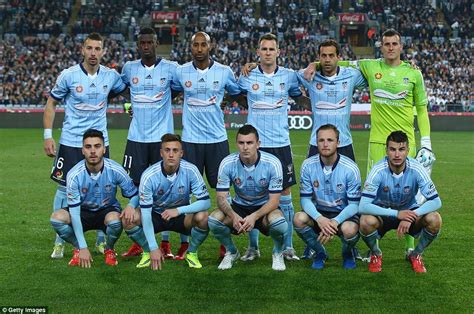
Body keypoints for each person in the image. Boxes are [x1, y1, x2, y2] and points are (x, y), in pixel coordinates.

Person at [304, 29, 436, 255]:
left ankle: (410, 246)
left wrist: (426, 142)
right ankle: (374, 247)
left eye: (395, 43)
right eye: (387, 44)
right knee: (374, 195)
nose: (391, 47)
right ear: (381, 46)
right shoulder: (370, 66)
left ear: (401, 47)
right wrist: (315, 64)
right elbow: (339, 62)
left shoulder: (413, 73)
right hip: (377, 142)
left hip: (407, 143)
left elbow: (422, 110)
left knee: (409, 194)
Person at [43, 33, 127, 259]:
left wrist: (129, 105)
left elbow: (126, 91)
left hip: (100, 144)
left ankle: (102, 240)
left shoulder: (110, 76)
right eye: (89, 48)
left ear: (103, 51)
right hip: (71, 142)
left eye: (97, 49)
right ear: (82, 49)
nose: (93, 53)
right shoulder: (69, 75)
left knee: (103, 190)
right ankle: (60, 242)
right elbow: (51, 102)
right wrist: (48, 135)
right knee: (63, 189)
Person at [238, 33, 310, 262]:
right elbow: (234, 95)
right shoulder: (247, 76)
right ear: (257, 52)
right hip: (255, 146)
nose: (268, 52)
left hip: (280, 144)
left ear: (278, 52)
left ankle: (288, 246)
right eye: (264, 49)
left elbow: (302, 96)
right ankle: (253, 247)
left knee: (286, 196)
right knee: (251, 195)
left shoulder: (289, 77)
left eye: (272, 49)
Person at [119, 27, 189, 260]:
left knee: (168, 190)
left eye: (150, 42)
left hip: (162, 139)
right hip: (136, 140)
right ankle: (141, 241)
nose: (146, 46)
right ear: (138, 45)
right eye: (142, 42)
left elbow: (180, 89)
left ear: (156, 43)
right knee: (137, 188)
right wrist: (131, 107)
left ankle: (168, 242)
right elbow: (120, 90)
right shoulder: (129, 69)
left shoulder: (171, 68)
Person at [171, 31, 241, 257]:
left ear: (211, 46)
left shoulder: (224, 71)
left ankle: (224, 240)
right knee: (186, 193)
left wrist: (224, 103)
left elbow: (236, 93)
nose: (199, 48)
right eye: (196, 45)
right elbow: (167, 94)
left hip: (216, 141)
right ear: (191, 47)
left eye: (203, 45)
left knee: (223, 192)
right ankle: (186, 243)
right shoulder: (181, 72)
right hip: (190, 141)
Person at [49, 129, 138, 267]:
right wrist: (83, 246)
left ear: (104, 149)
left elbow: (135, 194)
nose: (92, 151)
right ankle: (78, 249)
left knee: (115, 221)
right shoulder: (74, 175)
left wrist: (131, 205)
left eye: (97, 146)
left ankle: (109, 249)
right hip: (82, 211)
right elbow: (74, 212)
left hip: (107, 210)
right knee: (57, 218)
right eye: (88, 147)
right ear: (82, 150)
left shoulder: (115, 169)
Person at [121, 134, 211, 270]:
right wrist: (153, 247)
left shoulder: (191, 170)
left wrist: (179, 210)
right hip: (156, 215)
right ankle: (146, 251)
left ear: (181, 153)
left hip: (180, 217)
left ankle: (191, 253)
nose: (171, 154)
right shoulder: (149, 175)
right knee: (128, 219)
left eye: (175, 150)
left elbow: (205, 202)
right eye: (167, 150)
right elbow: (145, 213)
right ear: (161, 153)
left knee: (203, 217)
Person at [359, 131, 442, 273]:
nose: (397, 155)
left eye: (401, 149)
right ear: (387, 151)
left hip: (409, 213)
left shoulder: (416, 168)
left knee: (435, 219)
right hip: (383, 215)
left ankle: (416, 254)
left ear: (408, 151)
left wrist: (411, 215)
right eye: (392, 149)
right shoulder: (378, 170)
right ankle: (376, 253)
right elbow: (363, 206)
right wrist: (397, 214)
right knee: (365, 221)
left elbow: (436, 201)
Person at [208, 125, 288, 271]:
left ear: (258, 144)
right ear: (236, 143)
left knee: (279, 222)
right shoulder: (227, 163)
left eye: (249, 143)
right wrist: (233, 216)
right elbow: (220, 198)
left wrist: (254, 216)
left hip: (264, 208)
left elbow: (275, 201)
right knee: (213, 220)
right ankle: (232, 251)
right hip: (239, 207)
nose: (245, 147)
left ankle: (277, 252)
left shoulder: (273, 163)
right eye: (241, 143)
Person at [294, 124, 362, 269]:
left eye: (330, 140)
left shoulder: (351, 168)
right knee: (299, 219)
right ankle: (320, 252)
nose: (325, 144)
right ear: (316, 142)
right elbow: (305, 200)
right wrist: (319, 219)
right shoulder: (307, 165)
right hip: (319, 213)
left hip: (343, 214)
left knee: (350, 229)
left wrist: (335, 221)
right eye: (321, 140)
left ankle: (348, 253)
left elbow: (354, 205)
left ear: (338, 143)